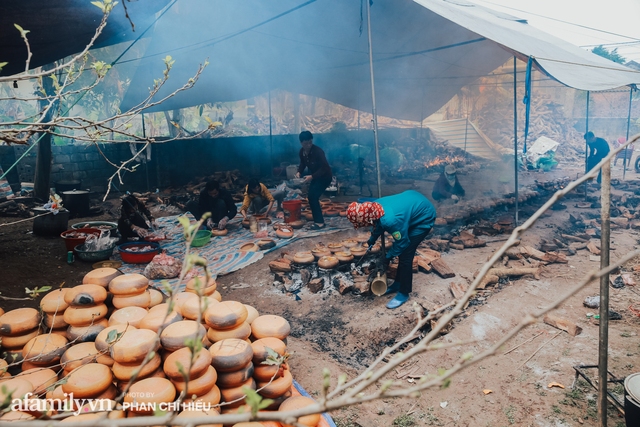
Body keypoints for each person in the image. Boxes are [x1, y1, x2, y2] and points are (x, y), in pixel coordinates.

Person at [346, 190, 437, 309]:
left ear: (365, 218)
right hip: (412, 203)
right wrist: (372, 240)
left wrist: (387, 258)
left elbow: (403, 242)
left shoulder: (390, 220)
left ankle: (403, 293)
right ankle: (397, 284)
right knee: (402, 252)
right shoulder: (374, 207)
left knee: (406, 255)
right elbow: (378, 224)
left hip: (424, 216)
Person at [295, 130, 332, 230]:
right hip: (316, 176)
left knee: (313, 196)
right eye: (306, 143)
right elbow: (302, 163)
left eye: (310, 142)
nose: (308, 145)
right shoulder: (301, 152)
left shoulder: (318, 151)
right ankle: (318, 220)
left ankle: (320, 222)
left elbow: (324, 167)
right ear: (301, 143)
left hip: (325, 177)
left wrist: (312, 176)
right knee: (311, 197)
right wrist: (299, 172)